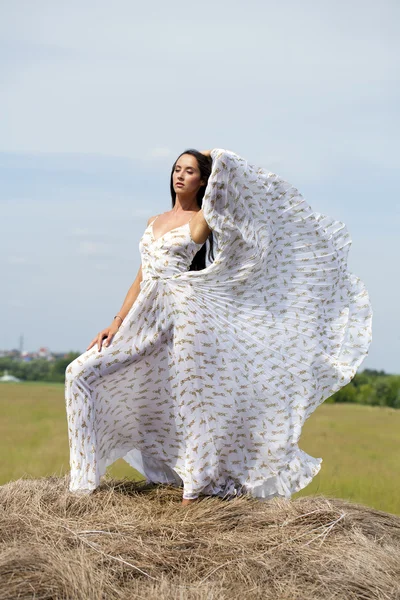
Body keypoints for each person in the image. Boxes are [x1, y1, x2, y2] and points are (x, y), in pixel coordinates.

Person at [65, 147, 373, 506]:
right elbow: (139, 280)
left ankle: (196, 487)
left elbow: (229, 182)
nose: (180, 175)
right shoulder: (153, 221)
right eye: (177, 169)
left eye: (190, 171)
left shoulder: (201, 218)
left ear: (202, 181)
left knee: (192, 402)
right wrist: (115, 324)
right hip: (142, 318)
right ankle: (83, 483)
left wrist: (216, 155)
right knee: (80, 374)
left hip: (182, 316)